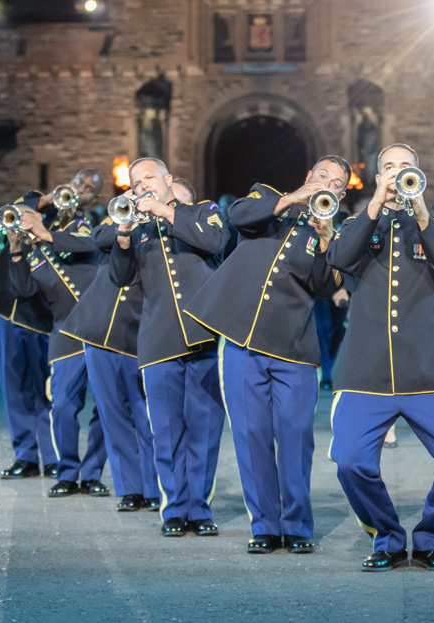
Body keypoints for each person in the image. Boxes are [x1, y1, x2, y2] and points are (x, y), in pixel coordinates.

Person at [326, 144, 434, 572]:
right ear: (378, 177)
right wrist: (374, 206)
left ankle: (432, 537)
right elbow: (338, 260)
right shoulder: (359, 224)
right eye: (389, 168)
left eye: (406, 167)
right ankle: (387, 538)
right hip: (365, 370)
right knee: (350, 461)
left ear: (419, 174)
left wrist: (424, 216)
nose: (398, 174)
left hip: (429, 368)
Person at [184, 155, 349, 554]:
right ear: (309, 176)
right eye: (322, 175)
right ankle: (265, 526)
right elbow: (238, 217)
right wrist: (292, 199)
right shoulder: (268, 197)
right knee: (251, 435)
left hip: (293, 347)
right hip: (242, 342)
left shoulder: (334, 233)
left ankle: (296, 526)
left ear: (341, 194)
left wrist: (326, 240)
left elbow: (327, 286)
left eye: (337, 182)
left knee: (295, 438)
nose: (328, 183)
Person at [110, 157, 227, 537]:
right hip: (159, 340)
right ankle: (174, 509)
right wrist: (124, 236)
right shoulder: (139, 228)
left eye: (148, 178)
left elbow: (215, 241)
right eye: (135, 181)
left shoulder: (202, 212)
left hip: (204, 335)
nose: (141, 185)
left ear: (167, 179)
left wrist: (162, 209)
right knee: (167, 431)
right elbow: (121, 277)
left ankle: (200, 508)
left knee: (205, 431)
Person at [7, 172, 109, 498]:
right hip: (65, 331)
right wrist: (16, 250)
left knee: (105, 406)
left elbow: (92, 243)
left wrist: (45, 235)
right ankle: (67, 472)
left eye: (27, 217)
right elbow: (22, 289)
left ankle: (92, 473)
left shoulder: (77, 227)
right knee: (63, 405)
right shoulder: (31, 251)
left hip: (99, 327)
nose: (24, 221)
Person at [59, 195, 159, 512]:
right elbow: (98, 237)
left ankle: (153, 486)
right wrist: (130, 220)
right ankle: (130, 488)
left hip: (140, 331)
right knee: (112, 415)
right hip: (101, 330)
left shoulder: (171, 228)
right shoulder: (124, 220)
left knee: (146, 417)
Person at [0, 192, 56, 480]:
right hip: (6, 314)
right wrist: (42, 200)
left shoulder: (59, 224)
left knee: (46, 389)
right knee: (15, 389)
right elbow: (6, 212)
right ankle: (26, 456)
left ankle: (53, 454)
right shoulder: (7, 227)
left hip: (41, 317)